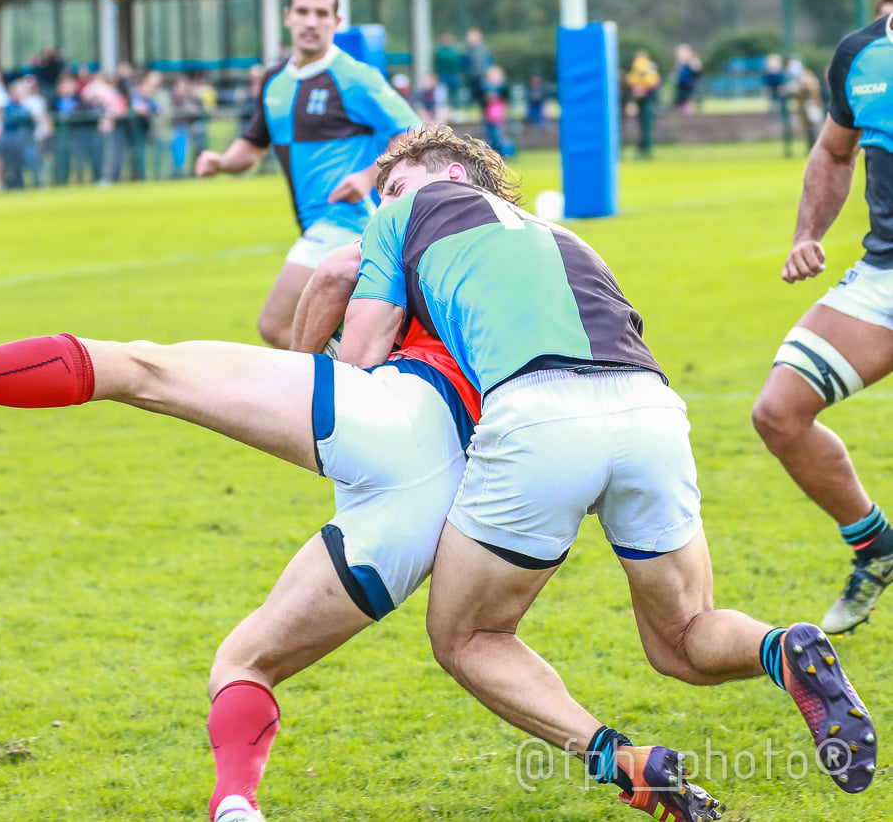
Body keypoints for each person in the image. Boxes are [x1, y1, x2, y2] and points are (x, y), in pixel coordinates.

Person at [0, 251, 478, 822]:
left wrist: (301, 375)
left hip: (396, 412)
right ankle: (236, 806)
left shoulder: (433, 215)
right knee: (248, 661)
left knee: (139, 368)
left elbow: (337, 269)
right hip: (443, 489)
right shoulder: (554, 269)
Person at [335, 126, 878, 816]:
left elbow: (357, 367)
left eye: (396, 184)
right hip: (650, 410)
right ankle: (784, 648)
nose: (384, 202)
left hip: (539, 417)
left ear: (450, 175)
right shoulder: (564, 237)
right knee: (683, 638)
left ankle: (628, 767)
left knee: (468, 637)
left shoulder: (399, 218)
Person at [752, 0, 893, 635]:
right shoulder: (860, 56)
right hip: (883, 278)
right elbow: (835, 152)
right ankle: (875, 547)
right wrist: (807, 231)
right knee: (778, 412)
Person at [195, 0, 419, 348]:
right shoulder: (274, 81)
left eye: (321, 13)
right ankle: (363, 380)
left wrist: (369, 176)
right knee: (317, 332)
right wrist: (218, 162)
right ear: (287, 16)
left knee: (277, 325)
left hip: (348, 222)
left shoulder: (353, 77)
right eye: (303, 11)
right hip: (315, 225)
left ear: (337, 22)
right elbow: (252, 148)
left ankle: (337, 390)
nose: (311, 22)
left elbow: (412, 133)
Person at [625, 50, 661, 157]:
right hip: (641, 101)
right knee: (643, 126)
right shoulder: (640, 70)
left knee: (646, 125)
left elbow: (653, 82)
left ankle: (645, 148)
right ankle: (643, 148)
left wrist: (643, 90)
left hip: (647, 101)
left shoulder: (648, 69)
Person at [673, 44, 702, 113]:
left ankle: (688, 108)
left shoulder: (692, 62)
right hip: (681, 82)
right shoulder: (680, 64)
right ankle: (684, 108)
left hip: (689, 82)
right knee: (681, 97)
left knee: (687, 96)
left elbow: (697, 70)